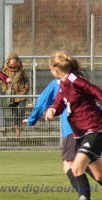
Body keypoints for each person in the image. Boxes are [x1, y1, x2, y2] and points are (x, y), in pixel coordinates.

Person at [22, 79, 102, 194]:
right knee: (90, 167)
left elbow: (42, 102)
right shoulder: (81, 82)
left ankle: (84, 196)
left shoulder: (58, 83)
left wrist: (31, 120)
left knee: (69, 164)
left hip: (73, 131)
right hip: (93, 130)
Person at [44, 51, 102, 200]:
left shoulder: (75, 80)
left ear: (55, 70)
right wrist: (52, 110)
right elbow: (60, 103)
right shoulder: (64, 83)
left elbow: (95, 91)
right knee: (98, 175)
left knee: (76, 168)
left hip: (94, 130)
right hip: (81, 133)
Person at [1, 52, 30, 137]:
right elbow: (2, 81)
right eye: (12, 60)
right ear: (9, 60)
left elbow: (26, 80)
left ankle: (19, 124)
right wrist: (5, 90)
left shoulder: (21, 69)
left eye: (15, 60)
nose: (13, 61)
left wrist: (25, 89)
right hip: (11, 94)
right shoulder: (5, 70)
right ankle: (17, 128)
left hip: (21, 93)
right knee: (15, 113)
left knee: (21, 109)